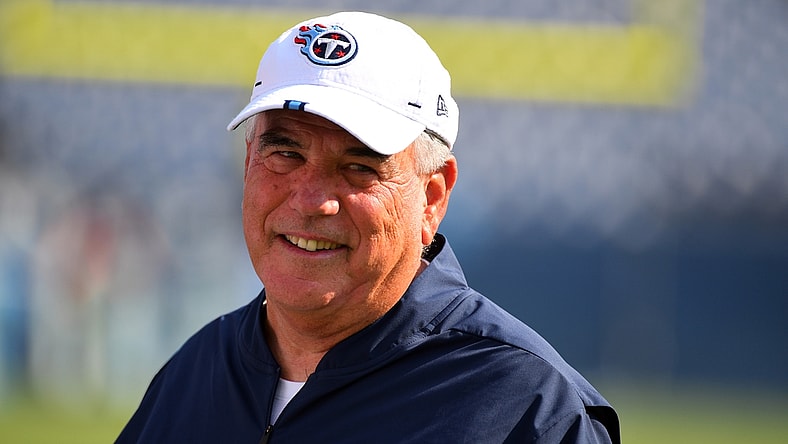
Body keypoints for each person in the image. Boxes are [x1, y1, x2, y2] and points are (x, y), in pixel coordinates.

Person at [117, 11, 620, 443]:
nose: (312, 201)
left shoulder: (524, 407)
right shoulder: (194, 375)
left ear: (433, 196)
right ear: (249, 162)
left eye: (359, 166)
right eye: (285, 153)